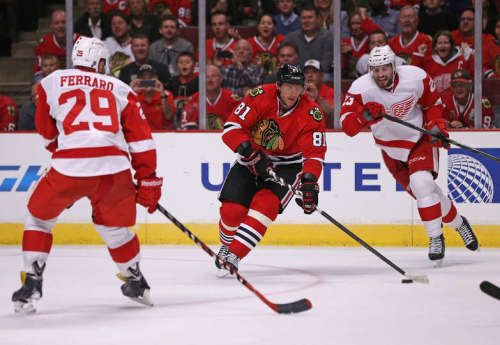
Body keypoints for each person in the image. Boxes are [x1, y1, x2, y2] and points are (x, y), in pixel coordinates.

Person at [11, 36, 163, 313]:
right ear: (101, 62)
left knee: (39, 218)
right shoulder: (121, 88)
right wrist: (148, 179)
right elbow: (141, 140)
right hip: (114, 172)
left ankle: (32, 282)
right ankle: (136, 280)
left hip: (69, 168)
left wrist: (63, 149)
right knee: (114, 229)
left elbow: (46, 130)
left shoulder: (51, 81)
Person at [340, 45, 479, 263]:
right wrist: (364, 116)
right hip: (389, 148)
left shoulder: (416, 77)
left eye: (384, 68)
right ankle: (460, 223)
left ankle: (435, 238)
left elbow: (433, 104)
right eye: (375, 70)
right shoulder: (360, 88)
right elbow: (347, 127)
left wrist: (436, 125)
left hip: (418, 139)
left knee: (422, 183)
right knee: (426, 193)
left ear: (394, 66)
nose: (380, 75)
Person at [214, 64, 327, 276]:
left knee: (265, 204)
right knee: (232, 212)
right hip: (251, 159)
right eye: (288, 86)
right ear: (278, 86)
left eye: (298, 87)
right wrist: (249, 152)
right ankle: (226, 246)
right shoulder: (259, 96)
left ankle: (235, 255)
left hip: (288, 165)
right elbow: (231, 128)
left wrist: (310, 182)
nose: (293, 92)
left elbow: (314, 154)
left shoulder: (312, 113)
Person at [180, 64, 240, 130]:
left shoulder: (233, 101)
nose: (210, 80)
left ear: (221, 79)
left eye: (213, 76)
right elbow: (188, 131)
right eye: (206, 77)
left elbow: (240, 127)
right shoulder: (192, 101)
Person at [283, 3, 333, 73]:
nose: (306, 21)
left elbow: (326, 63)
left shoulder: (328, 36)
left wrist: (310, 76)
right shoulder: (291, 38)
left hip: (320, 75)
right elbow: (285, 62)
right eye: (303, 18)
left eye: (310, 17)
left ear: (318, 19)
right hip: (297, 75)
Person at [130, 63, 175, 129]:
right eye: (143, 78)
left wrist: (162, 94)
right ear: (137, 80)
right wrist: (130, 92)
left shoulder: (166, 94)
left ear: (157, 78)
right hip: (141, 135)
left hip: (163, 135)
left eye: (150, 77)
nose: (147, 80)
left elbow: (168, 116)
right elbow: (127, 118)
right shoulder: (133, 96)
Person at [303, 59, 336, 128]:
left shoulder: (332, 92)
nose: (309, 75)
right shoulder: (298, 92)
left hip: (327, 133)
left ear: (322, 76)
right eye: (306, 73)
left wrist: (317, 97)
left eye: (314, 72)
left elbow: (334, 115)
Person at [104, 13, 135, 77]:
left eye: (120, 23)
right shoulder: (106, 43)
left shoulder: (137, 45)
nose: (117, 26)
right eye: (113, 24)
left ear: (128, 26)